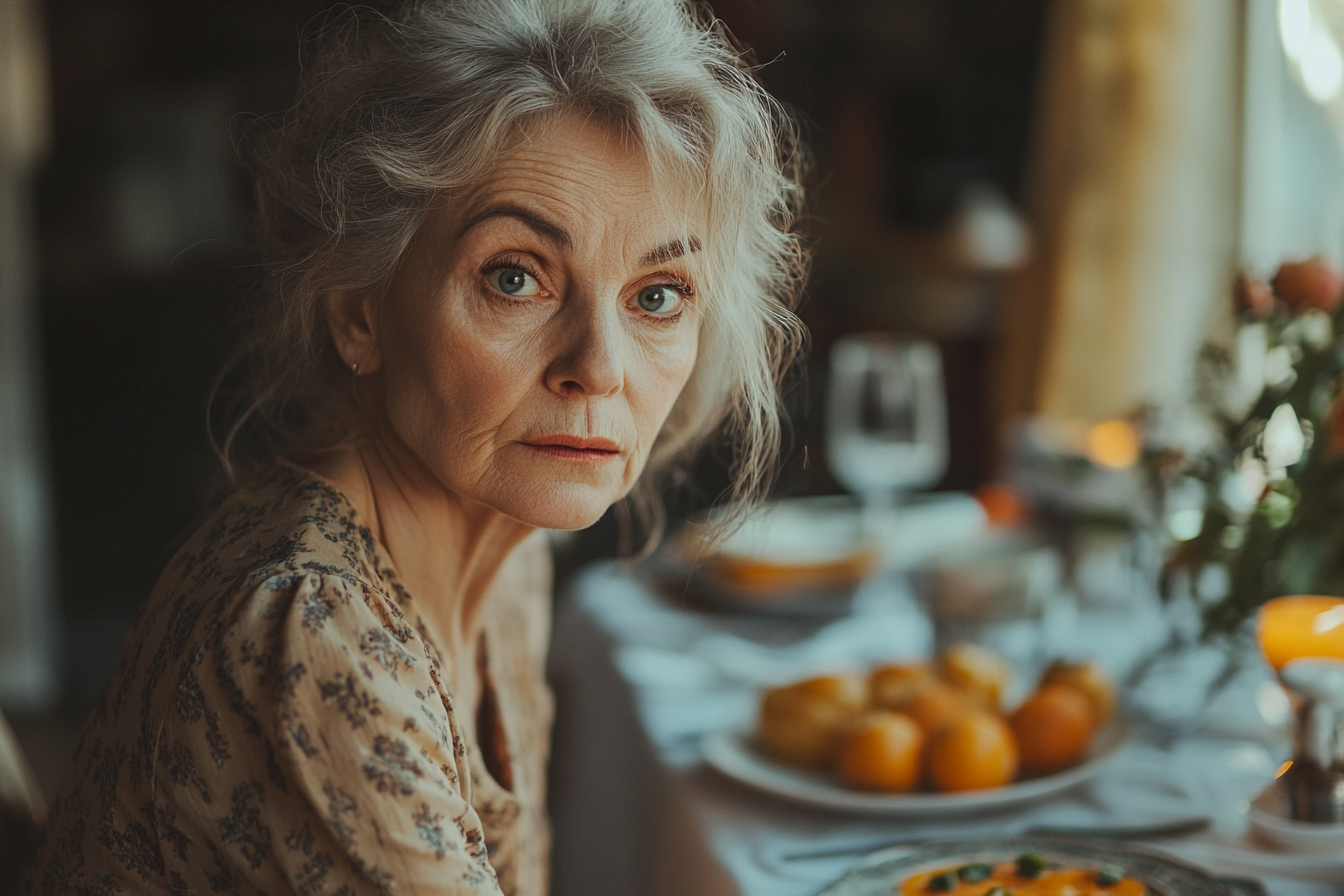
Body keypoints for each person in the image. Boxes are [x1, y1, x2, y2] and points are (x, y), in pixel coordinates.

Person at [21, 0, 806, 892]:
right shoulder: (308, 634)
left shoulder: (506, 549)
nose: (598, 367)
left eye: (658, 295)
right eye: (516, 278)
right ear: (360, 311)